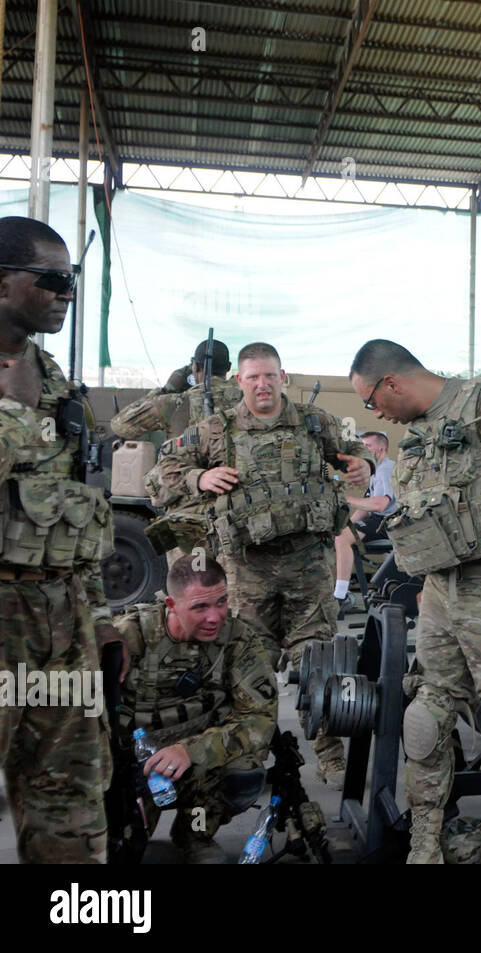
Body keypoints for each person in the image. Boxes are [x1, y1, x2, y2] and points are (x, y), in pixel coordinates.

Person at [348, 339, 481, 864]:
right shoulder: (420, 436)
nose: (376, 414)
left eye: (372, 402)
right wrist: (429, 579)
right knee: (424, 718)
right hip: (443, 595)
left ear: (392, 383)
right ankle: (425, 841)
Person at [146, 341, 373, 787]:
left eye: (270, 375)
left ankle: (330, 755)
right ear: (239, 381)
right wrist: (199, 477)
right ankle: (245, 757)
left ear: (283, 377)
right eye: (253, 377)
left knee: (319, 665)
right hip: (247, 572)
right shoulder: (215, 430)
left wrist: (361, 464)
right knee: (249, 668)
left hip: (309, 568)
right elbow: (160, 474)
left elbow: (355, 451)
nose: (263, 385)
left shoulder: (315, 422)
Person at [0, 216, 118, 863]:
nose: (65, 293)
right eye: (50, 279)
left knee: (69, 804)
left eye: (71, 280)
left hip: (60, 622)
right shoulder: (26, 391)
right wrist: (17, 418)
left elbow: (77, 512)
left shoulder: (55, 382)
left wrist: (98, 618)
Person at [109, 558, 278, 863]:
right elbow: (86, 720)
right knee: (120, 850)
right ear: (172, 604)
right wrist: (116, 780)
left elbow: (259, 719)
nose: (214, 617)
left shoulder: (237, 639)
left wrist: (192, 751)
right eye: (200, 607)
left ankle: (194, 832)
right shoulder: (129, 638)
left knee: (244, 770)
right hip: (133, 770)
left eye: (221, 602)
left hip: (195, 765)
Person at [110, 337, 242, 440]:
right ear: (229, 367)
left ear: (195, 367)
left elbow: (120, 425)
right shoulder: (248, 398)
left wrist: (166, 390)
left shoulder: (177, 402)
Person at [332, 430, 397, 611]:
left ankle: (340, 595)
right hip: (378, 520)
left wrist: (345, 499)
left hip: (389, 522)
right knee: (339, 535)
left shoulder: (386, 470)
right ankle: (337, 588)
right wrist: (345, 526)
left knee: (343, 538)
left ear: (381, 448)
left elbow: (379, 505)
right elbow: (364, 509)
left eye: (368, 447)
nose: (364, 451)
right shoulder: (376, 470)